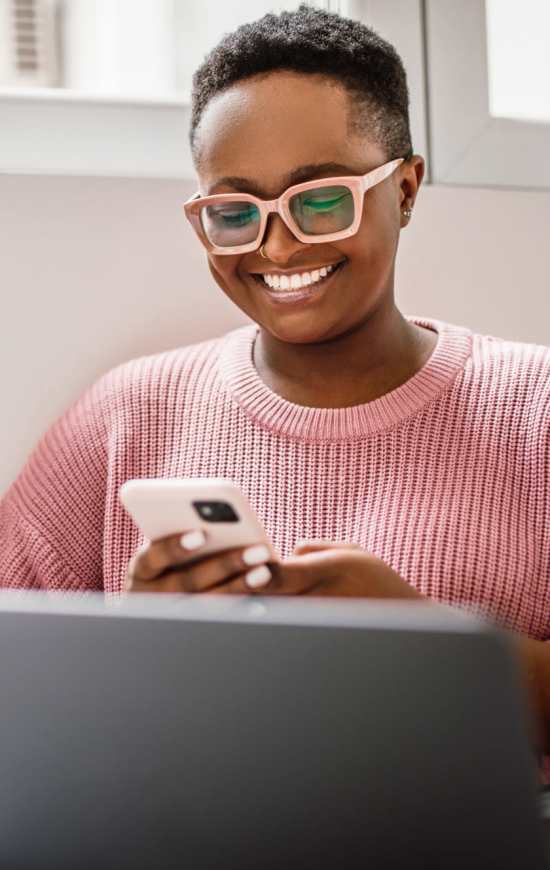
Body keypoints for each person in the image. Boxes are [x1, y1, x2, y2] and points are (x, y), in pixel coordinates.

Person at [1, 5, 549, 778]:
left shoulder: (536, 408)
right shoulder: (129, 412)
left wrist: (429, 646)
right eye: (234, 213)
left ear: (406, 189)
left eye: (320, 200)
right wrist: (130, 644)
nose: (278, 245)